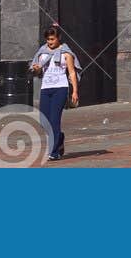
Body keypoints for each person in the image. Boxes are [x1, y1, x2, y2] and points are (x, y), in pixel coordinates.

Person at [29, 23, 80, 162]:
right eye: (47, 40)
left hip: (61, 88)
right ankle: (60, 138)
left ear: (58, 38)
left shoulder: (66, 53)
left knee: (54, 120)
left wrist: (75, 91)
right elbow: (39, 72)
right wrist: (37, 68)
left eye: (52, 39)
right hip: (46, 88)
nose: (49, 42)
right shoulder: (42, 52)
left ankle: (54, 151)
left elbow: (72, 73)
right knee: (44, 121)